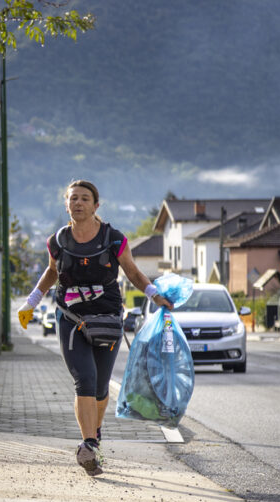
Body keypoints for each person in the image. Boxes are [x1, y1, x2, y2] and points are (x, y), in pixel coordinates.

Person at [19, 180, 172, 476]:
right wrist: (31, 302)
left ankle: (95, 435)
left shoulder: (114, 239)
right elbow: (52, 272)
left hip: (107, 320)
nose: (78, 203)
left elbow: (132, 272)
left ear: (96, 205)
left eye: (85, 199)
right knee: (84, 381)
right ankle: (88, 445)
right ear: (67, 204)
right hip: (71, 319)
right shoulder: (57, 242)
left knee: (101, 387)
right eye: (73, 198)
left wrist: (155, 295)